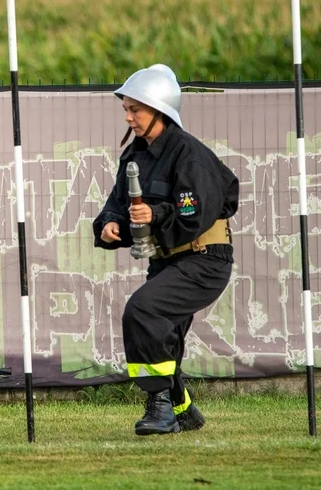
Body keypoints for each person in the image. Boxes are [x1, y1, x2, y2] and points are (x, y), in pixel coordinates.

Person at [93, 64, 239, 436]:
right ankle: (182, 410)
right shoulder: (134, 156)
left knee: (143, 311)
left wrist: (154, 213)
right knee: (165, 332)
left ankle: (158, 407)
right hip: (167, 260)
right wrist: (110, 225)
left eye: (134, 110)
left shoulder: (189, 154)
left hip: (204, 260)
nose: (128, 117)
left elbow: (193, 217)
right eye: (126, 109)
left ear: (159, 109)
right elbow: (116, 204)